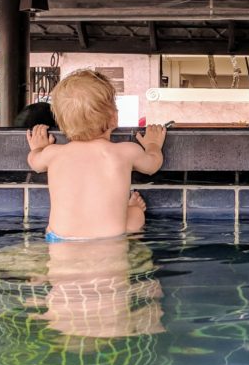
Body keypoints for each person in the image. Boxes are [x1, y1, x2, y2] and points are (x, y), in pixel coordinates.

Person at [26, 69, 167, 240]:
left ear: (62, 124)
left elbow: (34, 163)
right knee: (136, 216)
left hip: (60, 239)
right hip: (110, 240)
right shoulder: (126, 152)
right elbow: (152, 165)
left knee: (52, 230)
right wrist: (153, 144)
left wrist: (37, 148)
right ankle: (130, 209)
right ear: (114, 118)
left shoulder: (53, 154)